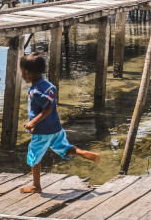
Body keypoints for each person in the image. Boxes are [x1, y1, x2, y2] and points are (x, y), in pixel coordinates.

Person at [18, 53, 99, 193]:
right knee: (63, 147)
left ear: (26, 73)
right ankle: (81, 152)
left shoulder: (35, 92)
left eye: (21, 72)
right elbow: (52, 106)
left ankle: (36, 185)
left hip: (42, 131)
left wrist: (32, 123)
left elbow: (47, 109)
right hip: (56, 128)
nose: (21, 75)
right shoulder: (49, 86)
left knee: (34, 156)